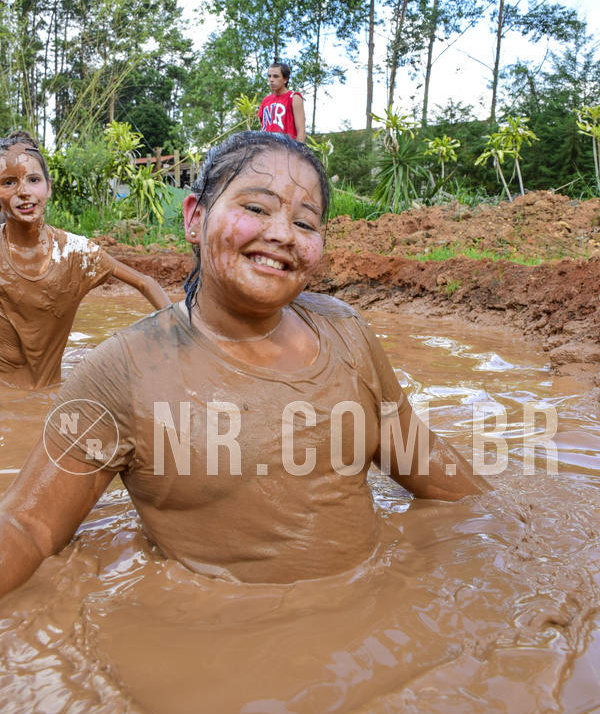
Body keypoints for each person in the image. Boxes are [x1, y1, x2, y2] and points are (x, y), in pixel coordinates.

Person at [0, 131, 488, 597]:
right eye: (256, 208)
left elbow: (445, 481)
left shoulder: (347, 333)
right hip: (226, 651)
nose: (282, 235)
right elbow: (28, 527)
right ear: (194, 218)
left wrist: (499, 547)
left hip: (375, 631)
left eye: (305, 222)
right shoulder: (123, 369)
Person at [0, 130, 171, 389]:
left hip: (49, 395)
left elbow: (145, 282)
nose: (23, 191)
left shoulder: (74, 252)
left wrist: (182, 343)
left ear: (48, 186)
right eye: (9, 182)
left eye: (33, 179)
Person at [258, 62, 306, 142]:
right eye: (269, 76)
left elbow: (301, 132)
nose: (271, 80)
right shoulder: (266, 100)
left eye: (276, 76)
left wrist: (298, 153)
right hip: (268, 149)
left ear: (285, 79)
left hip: (287, 150)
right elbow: (262, 127)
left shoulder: (294, 98)